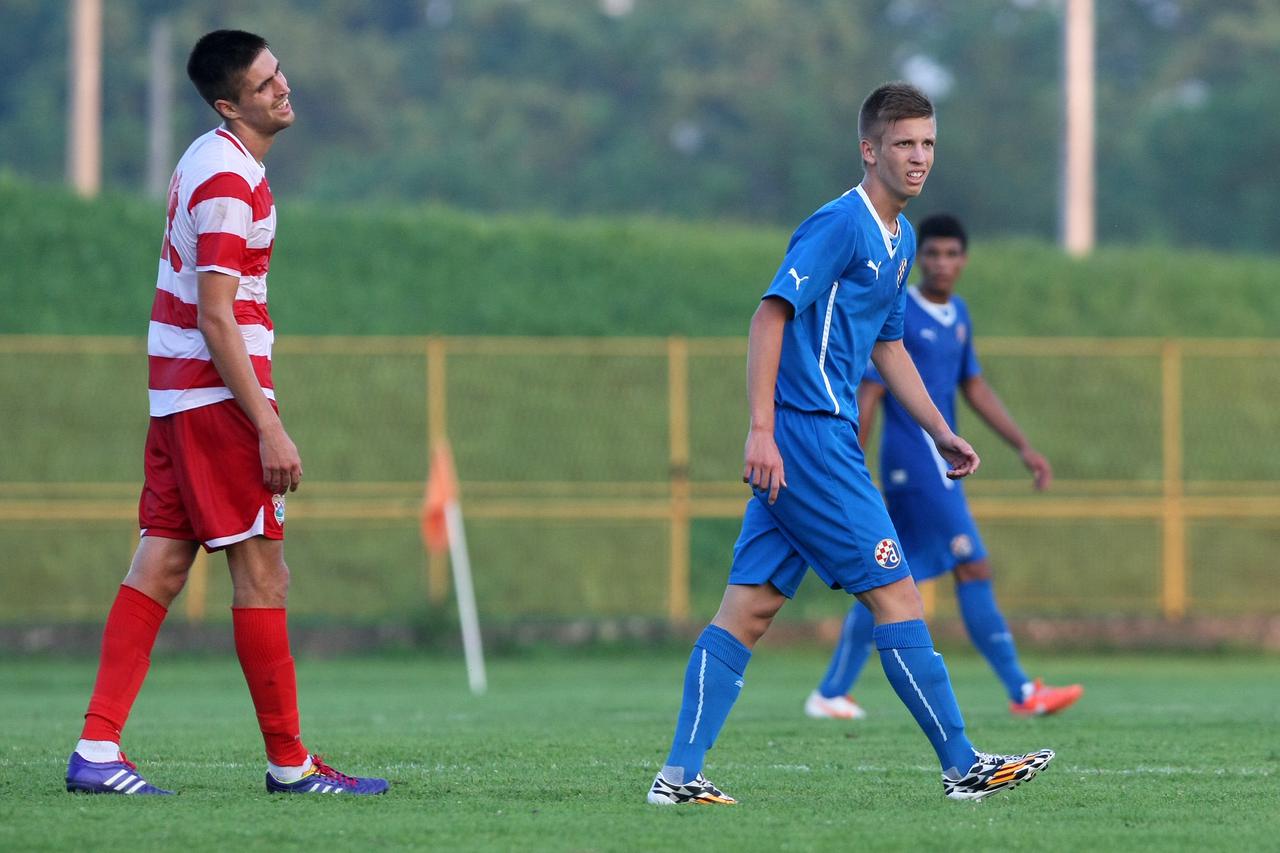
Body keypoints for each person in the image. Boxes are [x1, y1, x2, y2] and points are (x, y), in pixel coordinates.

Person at [646, 82, 1054, 806]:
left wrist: (941, 429)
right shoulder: (841, 224)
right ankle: (962, 764)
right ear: (870, 150)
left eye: (927, 142)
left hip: (819, 436)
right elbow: (768, 316)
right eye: (903, 143)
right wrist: (762, 430)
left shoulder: (899, 240)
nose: (918, 156)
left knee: (748, 610)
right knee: (898, 593)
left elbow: (889, 346)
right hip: (809, 436)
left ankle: (677, 777)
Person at [64, 30, 388, 796]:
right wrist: (268, 423)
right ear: (228, 105)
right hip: (213, 400)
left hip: (181, 396)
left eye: (279, 73)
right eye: (263, 84)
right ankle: (290, 765)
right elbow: (216, 317)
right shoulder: (225, 178)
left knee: (163, 561)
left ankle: (97, 750)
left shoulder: (219, 161)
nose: (282, 88)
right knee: (264, 573)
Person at [804, 214, 1083, 723]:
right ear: (919, 258)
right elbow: (872, 387)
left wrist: (1023, 446)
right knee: (971, 564)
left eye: (951, 254)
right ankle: (1021, 689)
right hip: (916, 465)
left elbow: (973, 386)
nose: (941, 263)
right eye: (932, 253)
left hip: (937, 466)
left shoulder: (960, 315)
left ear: (964, 259)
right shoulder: (899, 308)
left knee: (889, 579)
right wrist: (848, 458)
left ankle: (831, 691)